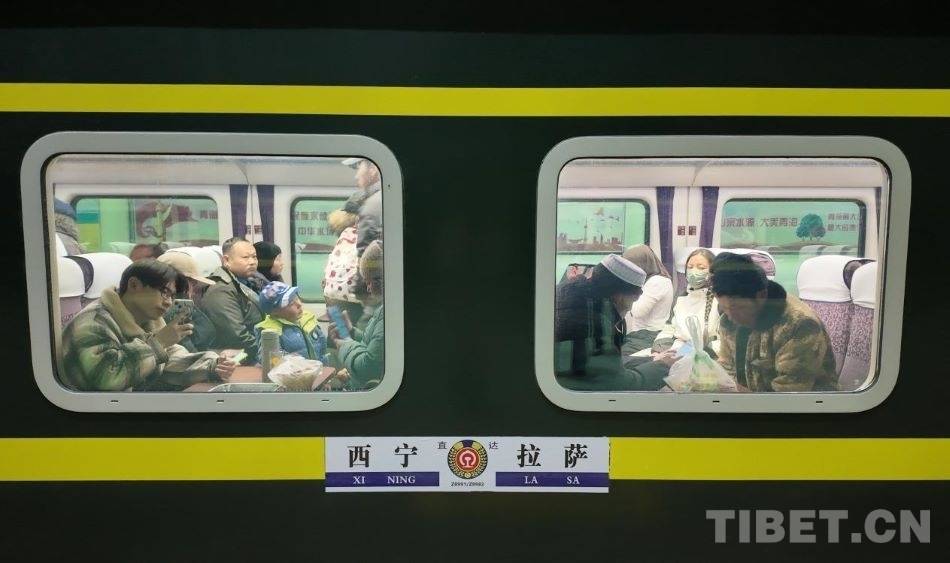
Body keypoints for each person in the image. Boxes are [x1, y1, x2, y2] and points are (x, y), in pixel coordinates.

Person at [60, 260, 235, 391]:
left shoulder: (148, 319)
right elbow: (107, 377)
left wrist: (212, 366)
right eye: (164, 292)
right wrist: (158, 343)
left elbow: (168, 358)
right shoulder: (93, 323)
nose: (168, 302)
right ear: (134, 285)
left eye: (172, 296)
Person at [710, 252, 838, 392]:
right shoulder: (729, 320)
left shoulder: (800, 326)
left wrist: (733, 391)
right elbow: (727, 367)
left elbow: (788, 394)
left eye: (738, 308)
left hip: (808, 404)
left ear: (761, 296)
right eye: (725, 308)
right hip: (746, 401)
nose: (731, 317)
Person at [554, 254, 646, 376]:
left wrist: (650, 361)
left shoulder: (569, 294)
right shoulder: (597, 324)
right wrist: (662, 365)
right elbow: (615, 380)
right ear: (619, 297)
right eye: (634, 299)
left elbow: (598, 362)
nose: (630, 308)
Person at [329, 240, 384, 389]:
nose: (368, 288)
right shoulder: (384, 308)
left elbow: (368, 367)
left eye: (369, 281)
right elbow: (375, 344)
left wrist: (345, 345)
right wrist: (353, 333)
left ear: (382, 279)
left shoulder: (386, 315)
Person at [201, 237, 264, 363]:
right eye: (245, 257)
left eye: (254, 257)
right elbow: (238, 336)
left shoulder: (249, 282)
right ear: (226, 260)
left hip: (255, 349)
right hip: (239, 359)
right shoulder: (221, 290)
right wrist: (269, 348)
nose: (252, 262)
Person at [255, 281, 330, 365]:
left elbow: (323, 348)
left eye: (297, 298)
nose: (299, 304)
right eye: (291, 304)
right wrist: (289, 359)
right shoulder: (270, 330)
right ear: (275, 312)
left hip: (318, 370)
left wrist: (325, 367)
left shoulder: (308, 318)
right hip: (293, 372)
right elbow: (269, 359)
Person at [157, 251, 217, 353]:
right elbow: (187, 350)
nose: (193, 291)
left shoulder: (185, 306)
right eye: (192, 284)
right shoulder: (168, 311)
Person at [620, 244, 675, 354]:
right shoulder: (653, 280)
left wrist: (626, 292)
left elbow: (638, 312)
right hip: (641, 335)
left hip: (649, 335)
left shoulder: (657, 281)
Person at [342, 157, 382, 256]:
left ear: (373, 169)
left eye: (358, 167)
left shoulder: (372, 207)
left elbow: (366, 261)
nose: (356, 176)